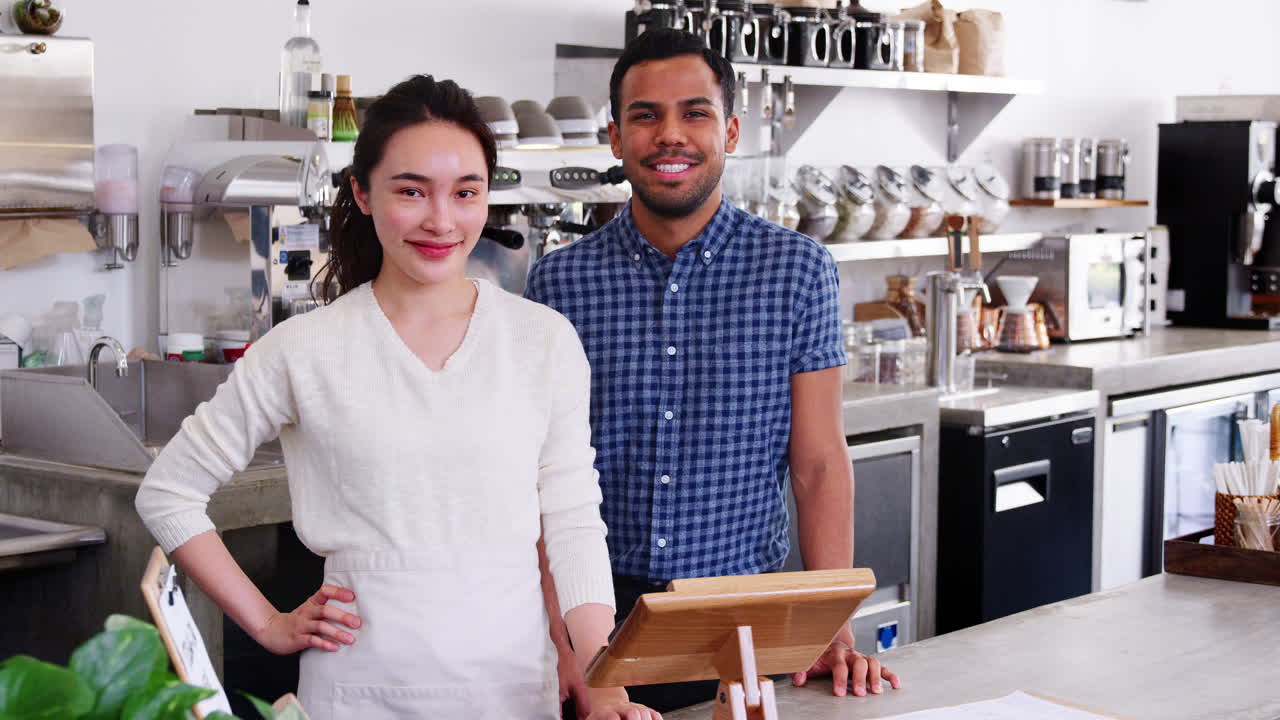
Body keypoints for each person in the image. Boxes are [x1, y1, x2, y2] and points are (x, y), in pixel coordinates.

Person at [135, 75, 659, 720]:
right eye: (411, 191)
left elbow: (571, 521)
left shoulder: (542, 339)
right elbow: (168, 492)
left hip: (514, 688)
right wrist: (267, 624)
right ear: (362, 192)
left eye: (465, 192)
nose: (441, 219)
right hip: (360, 691)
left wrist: (603, 676)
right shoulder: (304, 348)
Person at [526, 30, 902, 713]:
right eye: (646, 116)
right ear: (616, 138)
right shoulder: (559, 281)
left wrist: (829, 623)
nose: (670, 134)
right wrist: (563, 646)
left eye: (694, 113)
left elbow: (818, 462)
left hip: (742, 619)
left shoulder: (797, 271)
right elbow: (538, 481)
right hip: (596, 615)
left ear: (730, 131)